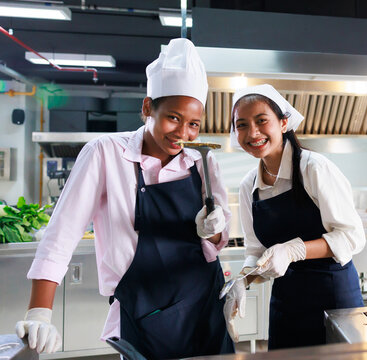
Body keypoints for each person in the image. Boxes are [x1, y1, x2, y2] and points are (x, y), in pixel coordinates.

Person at [15, 38, 235, 358]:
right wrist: (39, 312)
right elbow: (61, 235)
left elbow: (215, 243)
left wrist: (212, 228)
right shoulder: (105, 154)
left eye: (193, 125)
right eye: (173, 117)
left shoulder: (203, 162)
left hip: (205, 311)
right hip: (144, 317)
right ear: (147, 107)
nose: (183, 133)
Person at [225, 84, 365, 350]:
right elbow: (256, 250)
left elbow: (352, 237)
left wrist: (294, 250)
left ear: (283, 122)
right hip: (286, 303)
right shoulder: (248, 185)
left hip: (334, 300)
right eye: (241, 125)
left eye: (261, 121)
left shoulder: (314, 168)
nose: (252, 132)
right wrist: (243, 280)